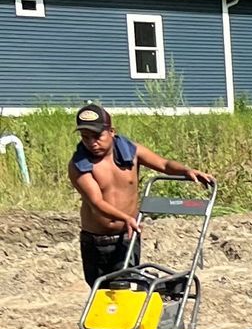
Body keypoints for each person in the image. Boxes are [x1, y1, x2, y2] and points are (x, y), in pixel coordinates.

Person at [68, 104, 212, 286]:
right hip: (96, 241)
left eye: (97, 136)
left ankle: (160, 288)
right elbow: (96, 202)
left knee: (127, 288)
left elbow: (164, 164)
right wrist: (126, 218)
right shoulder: (78, 165)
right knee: (101, 293)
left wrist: (186, 171)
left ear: (111, 132)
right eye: (85, 137)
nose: (92, 143)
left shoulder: (131, 152)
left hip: (126, 236)